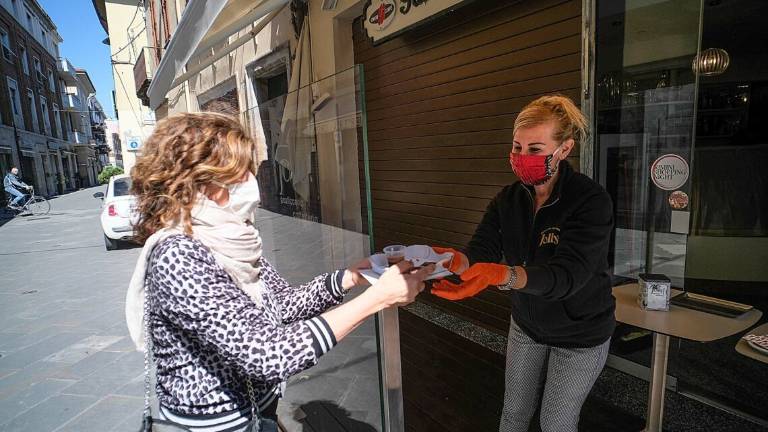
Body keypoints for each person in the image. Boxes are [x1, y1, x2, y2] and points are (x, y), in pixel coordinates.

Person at [125, 112, 433, 432]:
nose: (250, 181)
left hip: (260, 410)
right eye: (236, 172)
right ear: (194, 181)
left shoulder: (234, 237)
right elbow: (268, 354)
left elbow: (282, 305)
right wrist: (376, 299)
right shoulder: (178, 255)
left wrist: (349, 277)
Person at [432, 95, 615, 432]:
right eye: (517, 147)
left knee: (555, 423)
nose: (521, 158)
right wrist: (455, 261)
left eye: (535, 149)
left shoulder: (590, 201)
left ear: (564, 150)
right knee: (513, 415)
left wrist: (502, 274)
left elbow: (566, 277)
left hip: (580, 331)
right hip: (527, 325)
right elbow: (482, 249)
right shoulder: (508, 199)